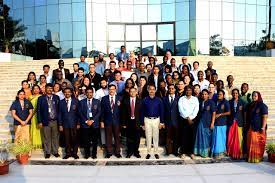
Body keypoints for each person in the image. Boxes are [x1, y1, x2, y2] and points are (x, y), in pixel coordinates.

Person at [141, 85, 164, 159]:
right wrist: (142, 123)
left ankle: (156, 152)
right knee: (148, 136)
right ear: (148, 90)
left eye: (153, 89)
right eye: (150, 89)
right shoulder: (144, 100)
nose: (151, 91)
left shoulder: (159, 100)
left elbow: (162, 111)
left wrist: (162, 122)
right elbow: (142, 112)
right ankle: (148, 152)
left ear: (155, 90)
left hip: (156, 120)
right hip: (147, 120)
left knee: (156, 136)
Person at [37, 83, 60, 159]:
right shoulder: (41, 98)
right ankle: (47, 152)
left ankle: (55, 151)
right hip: (45, 121)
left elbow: (59, 110)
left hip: (55, 121)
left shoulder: (56, 97)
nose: (50, 89)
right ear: (45, 89)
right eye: (48, 88)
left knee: (55, 137)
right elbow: (39, 110)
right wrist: (39, 121)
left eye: (51, 88)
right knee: (46, 137)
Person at [79, 87, 101, 159]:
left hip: (94, 124)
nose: (89, 94)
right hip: (85, 124)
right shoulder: (81, 102)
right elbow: (80, 113)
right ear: (85, 93)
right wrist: (86, 121)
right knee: (86, 141)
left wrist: (92, 120)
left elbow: (99, 112)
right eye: (87, 92)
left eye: (90, 92)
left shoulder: (97, 101)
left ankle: (94, 154)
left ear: (93, 93)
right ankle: (87, 154)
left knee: (95, 141)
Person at [101, 84, 123, 158]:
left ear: (115, 90)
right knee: (108, 137)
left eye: (113, 89)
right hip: (108, 121)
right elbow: (102, 111)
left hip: (117, 121)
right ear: (108, 90)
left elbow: (122, 111)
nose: (111, 91)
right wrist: (102, 121)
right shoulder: (104, 99)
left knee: (117, 137)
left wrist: (122, 122)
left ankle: (117, 152)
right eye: (110, 89)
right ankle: (109, 152)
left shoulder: (120, 98)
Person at [178, 85, 200, 158]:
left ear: (192, 91)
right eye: (187, 90)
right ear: (185, 91)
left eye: (190, 90)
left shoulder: (195, 99)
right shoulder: (181, 99)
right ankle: (183, 152)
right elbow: (180, 109)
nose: (188, 91)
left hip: (193, 120)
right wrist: (187, 118)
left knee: (192, 136)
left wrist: (191, 118)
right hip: (184, 120)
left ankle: (191, 152)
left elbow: (196, 110)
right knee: (184, 136)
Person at [58, 88, 80, 159]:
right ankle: (68, 153)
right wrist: (60, 125)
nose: (67, 93)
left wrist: (78, 123)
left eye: (68, 92)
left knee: (75, 139)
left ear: (71, 93)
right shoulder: (61, 102)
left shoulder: (76, 101)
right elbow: (59, 114)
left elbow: (79, 113)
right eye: (65, 92)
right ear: (64, 93)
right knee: (66, 139)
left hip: (74, 124)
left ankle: (74, 153)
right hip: (65, 124)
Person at [246, 91, 268, 163]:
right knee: (251, 143)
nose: (253, 97)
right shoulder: (250, 105)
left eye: (255, 96)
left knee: (258, 143)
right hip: (251, 127)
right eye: (253, 96)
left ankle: (257, 157)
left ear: (258, 96)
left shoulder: (262, 105)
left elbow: (265, 117)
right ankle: (251, 157)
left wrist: (263, 127)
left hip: (259, 128)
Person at [193, 89, 216, 158]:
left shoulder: (211, 102)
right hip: (200, 122)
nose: (204, 95)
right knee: (199, 137)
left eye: (205, 94)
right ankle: (199, 152)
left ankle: (206, 153)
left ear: (208, 95)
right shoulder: (199, 102)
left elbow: (214, 113)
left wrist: (212, 123)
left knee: (207, 138)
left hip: (207, 123)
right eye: (203, 94)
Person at [121, 87, 142, 158]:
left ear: (136, 92)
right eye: (131, 91)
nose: (132, 93)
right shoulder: (125, 101)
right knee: (129, 138)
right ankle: (129, 152)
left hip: (137, 122)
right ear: (129, 93)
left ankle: (136, 152)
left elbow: (142, 113)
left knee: (137, 138)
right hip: (128, 122)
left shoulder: (140, 101)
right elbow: (123, 113)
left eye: (134, 91)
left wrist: (142, 123)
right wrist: (123, 123)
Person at [211, 89, 230, 158]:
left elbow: (229, 112)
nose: (219, 95)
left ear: (223, 95)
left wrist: (220, 114)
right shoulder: (215, 101)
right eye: (218, 94)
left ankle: (220, 152)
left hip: (222, 123)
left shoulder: (226, 102)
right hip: (215, 123)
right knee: (215, 138)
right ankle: (215, 152)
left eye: (220, 94)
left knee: (221, 138)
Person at [227, 89, 246, 159]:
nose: (235, 94)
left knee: (239, 138)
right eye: (234, 93)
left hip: (239, 123)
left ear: (238, 94)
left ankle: (239, 153)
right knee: (231, 138)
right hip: (232, 122)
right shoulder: (230, 102)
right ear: (232, 94)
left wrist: (244, 123)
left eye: (236, 93)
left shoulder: (242, 102)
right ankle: (231, 152)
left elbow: (244, 114)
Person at [163, 84, 179, 156]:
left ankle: (175, 151)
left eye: (172, 89)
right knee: (168, 137)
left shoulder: (179, 99)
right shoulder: (164, 99)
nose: (171, 90)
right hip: (168, 121)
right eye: (169, 88)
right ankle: (169, 151)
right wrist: (162, 122)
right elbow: (163, 111)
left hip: (176, 121)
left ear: (175, 90)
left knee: (176, 137)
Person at [29, 85, 42, 149]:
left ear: (39, 90)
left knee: (39, 129)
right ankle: (33, 143)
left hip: (39, 115)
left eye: (37, 88)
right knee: (33, 129)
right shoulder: (30, 97)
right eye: (34, 89)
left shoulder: (41, 96)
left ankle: (40, 143)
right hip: (32, 116)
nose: (36, 90)